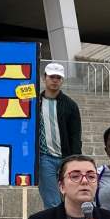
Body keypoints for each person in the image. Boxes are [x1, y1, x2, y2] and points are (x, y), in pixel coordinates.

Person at [36, 62, 82, 208]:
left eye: (58, 77)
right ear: (44, 78)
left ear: (62, 80)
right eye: (51, 77)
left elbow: (75, 135)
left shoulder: (70, 105)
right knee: (52, 201)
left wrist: (76, 160)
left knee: (70, 198)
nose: (55, 80)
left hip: (66, 158)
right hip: (45, 158)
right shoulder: (34, 102)